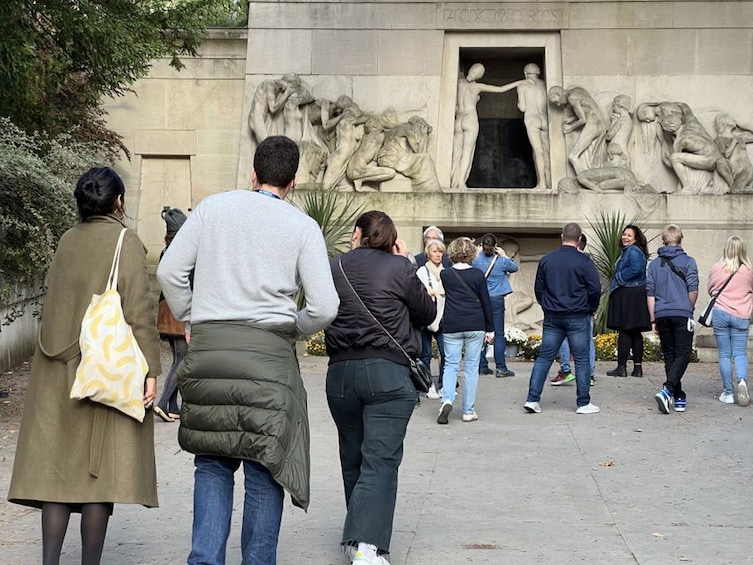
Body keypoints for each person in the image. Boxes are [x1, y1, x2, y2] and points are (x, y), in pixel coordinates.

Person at [156, 136, 340, 564]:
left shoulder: (213, 208)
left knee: (213, 465)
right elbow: (325, 306)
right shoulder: (302, 227)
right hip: (269, 358)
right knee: (264, 470)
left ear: (253, 173)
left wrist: (190, 315)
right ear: (293, 182)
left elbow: (169, 271)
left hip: (211, 349)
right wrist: (293, 328)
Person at [8, 166, 162, 565]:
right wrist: (151, 369)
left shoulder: (66, 240)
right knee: (98, 477)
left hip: (55, 373)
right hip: (101, 369)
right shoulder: (125, 241)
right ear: (119, 203)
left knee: (57, 476)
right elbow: (140, 313)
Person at [324, 210, 435, 565]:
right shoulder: (400, 268)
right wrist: (405, 263)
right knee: (381, 460)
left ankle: (356, 536)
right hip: (387, 372)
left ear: (356, 233)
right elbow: (428, 314)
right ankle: (367, 547)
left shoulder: (333, 267)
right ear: (391, 239)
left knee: (352, 456)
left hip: (340, 372)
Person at [523, 223, 601, 414]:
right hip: (578, 315)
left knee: (544, 357)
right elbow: (595, 289)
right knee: (582, 359)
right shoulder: (584, 262)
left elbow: (539, 289)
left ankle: (533, 399)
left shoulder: (547, 260)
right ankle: (583, 403)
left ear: (561, 236)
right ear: (580, 239)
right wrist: (590, 308)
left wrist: (546, 305)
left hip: (553, 315)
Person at [437, 237, 494, 424]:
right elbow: (486, 302)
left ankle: (447, 399)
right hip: (475, 324)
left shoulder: (445, 275)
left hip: (452, 323)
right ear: (471, 253)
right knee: (471, 368)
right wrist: (490, 329)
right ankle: (468, 411)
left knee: (450, 365)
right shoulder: (478, 275)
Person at [646, 224, 699, 414]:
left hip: (661, 313)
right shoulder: (689, 261)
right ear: (681, 239)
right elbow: (693, 289)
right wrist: (688, 307)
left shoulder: (653, 265)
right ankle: (668, 389)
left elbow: (650, 294)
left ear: (663, 240)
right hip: (682, 312)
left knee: (670, 355)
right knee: (683, 354)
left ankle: (678, 396)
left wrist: (653, 320)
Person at [451, 63, 526, 188]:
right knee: (467, 152)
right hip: (470, 118)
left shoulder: (459, 84)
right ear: (479, 76)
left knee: (456, 152)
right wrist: (519, 82)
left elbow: (459, 74)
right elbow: (501, 89)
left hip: (458, 119)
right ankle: (461, 183)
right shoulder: (478, 87)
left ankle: (453, 182)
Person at [153, 206, 189, 423]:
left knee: (178, 358)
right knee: (182, 360)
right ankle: (162, 402)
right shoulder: (183, 250)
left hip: (166, 311)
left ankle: (172, 406)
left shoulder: (166, 249)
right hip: (178, 311)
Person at [708, 236, 753, 406]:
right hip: (741, 314)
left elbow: (711, 289)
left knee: (724, 354)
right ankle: (742, 382)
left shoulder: (717, 268)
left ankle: (728, 392)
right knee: (740, 353)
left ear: (726, 249)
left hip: (721, 312)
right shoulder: (749, 270)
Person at [550, 234, 596, 386]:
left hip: (566, 309)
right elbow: (594, 287)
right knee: (587, 340)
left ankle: (565, 370)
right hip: (584, 308)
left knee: (563, 337)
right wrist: (592, 307)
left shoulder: (567, 260)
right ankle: (588, 375)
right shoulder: (587, 261)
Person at [606, 225, 652, 378]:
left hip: (630, 293)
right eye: (624, 234)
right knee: (635, 331)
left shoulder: (633, 251)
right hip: (635, 293)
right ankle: (637, 369)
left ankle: (621, 367)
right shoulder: (632, 251)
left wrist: (619, 278)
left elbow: (636, 269)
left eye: (629, 235)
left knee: (625, 330)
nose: (625, 237)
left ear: (636, 238)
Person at [472, 233, 518, 378]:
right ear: (495, 247)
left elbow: (466, 266)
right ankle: (501, 368)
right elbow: (514, 267)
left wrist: (475, 253)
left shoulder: (476, 260)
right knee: (499, 334)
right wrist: (504, 255)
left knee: (480, 332)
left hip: (480, 299)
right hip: (497, 299)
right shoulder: (501, 261)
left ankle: (482, 366)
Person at [547, 85, 608, 174]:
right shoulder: (578, 89)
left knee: (573, 156)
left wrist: (570, 127)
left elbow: (583, 120)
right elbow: (588, 109)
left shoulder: (572, 99)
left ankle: (585, 179)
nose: (559, 104)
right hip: (598, 123)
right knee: (588, 157)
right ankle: (588, 176)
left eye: (557, 101)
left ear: (559, 94)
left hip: (594, 125)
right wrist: (572, 119)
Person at [416, 238, 447, 399]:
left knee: (445, 353)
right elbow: (419, 291)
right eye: (435, 251)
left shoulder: (446, 271)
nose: (438, 254)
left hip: (442, 317)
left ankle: (443, 385)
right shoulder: (422, 271)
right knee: (425, 355)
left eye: (440, 251)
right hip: (426, 317)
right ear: (428, 253)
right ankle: (428, 386)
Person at [516, 63, 551, 189]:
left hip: (532, 118)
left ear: (525, 73)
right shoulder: (544, 84)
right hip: (545, 118)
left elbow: (523, 107)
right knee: (547, 151)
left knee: (538, 151)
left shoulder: (522, 85)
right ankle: (549, 182)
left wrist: (518, 103)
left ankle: (541, 183)